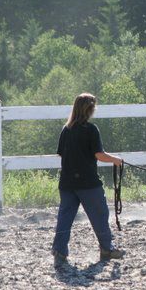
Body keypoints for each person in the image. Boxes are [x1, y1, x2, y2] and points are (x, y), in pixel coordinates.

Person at [52, 92, 125, 268]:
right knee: (100, 214)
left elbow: (61, 154)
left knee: (65, 217)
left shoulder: (66, 129)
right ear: (90, 110)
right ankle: (107, 248)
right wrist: (115, 160)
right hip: (88, 182)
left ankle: (59, 251)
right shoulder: (91, 130)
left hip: (67, 182)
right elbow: (99, 155)